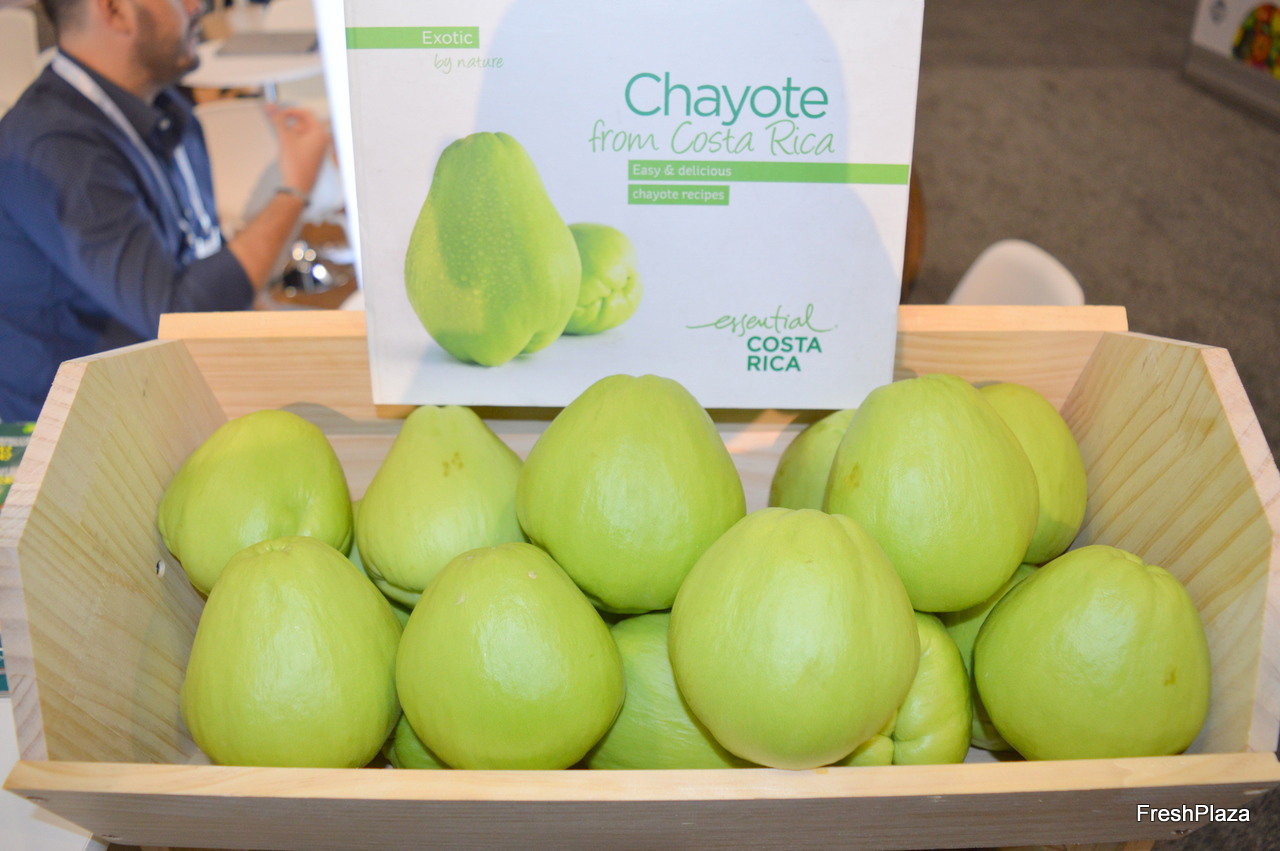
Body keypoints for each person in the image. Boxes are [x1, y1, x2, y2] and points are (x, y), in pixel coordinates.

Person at [0, 0, 332, 422]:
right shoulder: (58, 149)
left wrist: (295, 341)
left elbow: (201, 259)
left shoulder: (167, 111)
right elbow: (180, 315)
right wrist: (294, 191)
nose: (198, 7)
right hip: (77, 431)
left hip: (157, 386)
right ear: (115, 11)